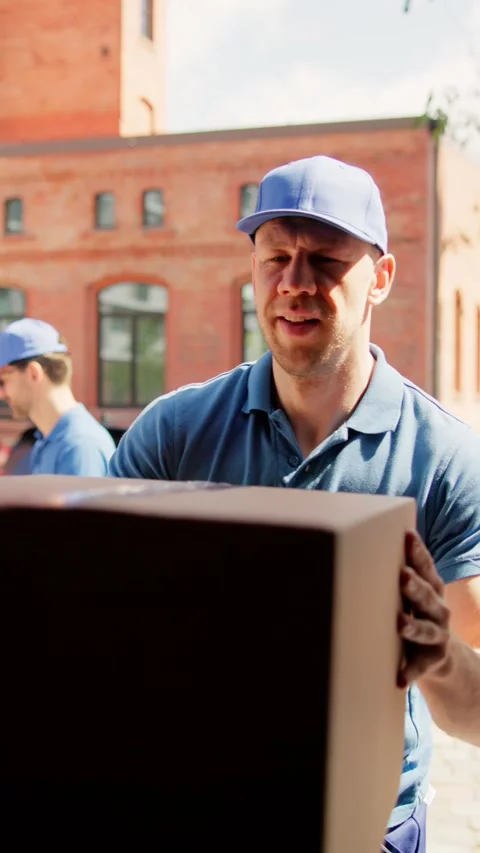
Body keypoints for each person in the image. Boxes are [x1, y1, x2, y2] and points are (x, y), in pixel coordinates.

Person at [109, 154, 480, 851]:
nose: (295, 283)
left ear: (381, 278)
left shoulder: (443, 458)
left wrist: (438, 656)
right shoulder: (173, 434)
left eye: (326, 260)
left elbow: (477, 712)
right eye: (276, 257)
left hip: (369, 828)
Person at [0, 318, 115, 476]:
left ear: (33, 373)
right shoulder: (49, 440)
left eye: (3, 381)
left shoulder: (79, 445)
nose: (1, 394)